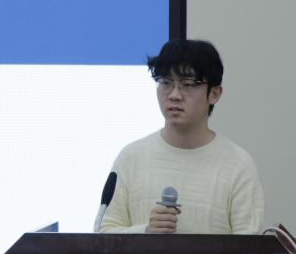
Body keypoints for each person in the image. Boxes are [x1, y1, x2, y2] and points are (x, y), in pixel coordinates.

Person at [97, 39, 264, 234]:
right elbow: (105, 234)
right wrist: (145, 231)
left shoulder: (238, 165)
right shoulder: (131, 157)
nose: (174, 95)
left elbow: (251, 245)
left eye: (188, 85)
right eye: (165, 82)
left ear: (214, 94)